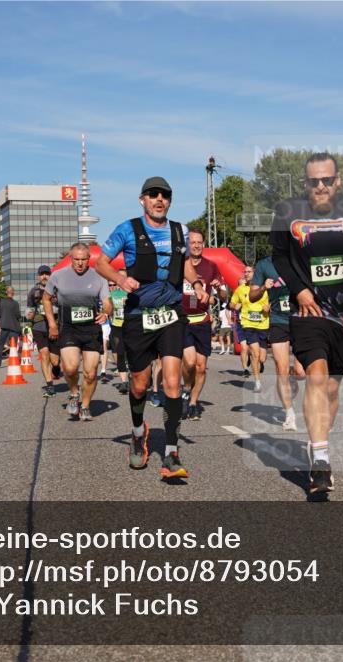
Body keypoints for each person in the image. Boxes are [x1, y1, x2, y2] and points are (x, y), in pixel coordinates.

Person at [271, 152, 343, 494]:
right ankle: (320, 461)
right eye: (313, 181)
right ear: (305, 183)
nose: (320, 187)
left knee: (332, 386)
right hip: (307, 313)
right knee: (316, 377)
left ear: (337, 181)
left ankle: (317, 441)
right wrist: (300, 291)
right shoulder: (287, 213)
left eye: (326, 180)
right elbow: (279, 256)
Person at [95, 176, 208, 480]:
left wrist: (196, 283)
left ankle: (171, 452)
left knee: (172, 383)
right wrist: (120, 280)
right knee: (140, 384)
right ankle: (136, 433)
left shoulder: (179, 231)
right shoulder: (127, 230)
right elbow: (101, 263)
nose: (160, 199)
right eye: (153, 194)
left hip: (170, 312)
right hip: (137, 315)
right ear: (142, 199)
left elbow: (185, 262)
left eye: (165, 195)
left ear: (170, 201)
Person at [43, 244, 111, 421]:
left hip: (91, 327)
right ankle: (74, 393)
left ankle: (86, 405)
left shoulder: (99, 276)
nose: (80, 263)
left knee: (90, 373)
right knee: (71, 367)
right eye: (76, 259)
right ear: (70, 258)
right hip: (68, 327)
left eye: (84, 259)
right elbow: (46, 299)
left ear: (89, 259)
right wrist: (52, 323)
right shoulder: (58, 276)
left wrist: (106, 313)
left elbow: (107, 301)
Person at [251, 254, 305, 431]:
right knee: (280, 369)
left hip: (300, 319)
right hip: (277, 321)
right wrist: (263, 289)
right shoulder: (263, 265)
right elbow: (252, 295)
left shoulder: (299, 257)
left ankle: (292, 374)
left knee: (301, 372)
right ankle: (289, 414)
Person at [181, 230, 228, 421]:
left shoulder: (211, 266)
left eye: (199, 242)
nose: (196, 245)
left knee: (201, 367)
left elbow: (225, 296)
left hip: (202, 320)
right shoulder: (180, 265)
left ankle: (192, 402)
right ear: (187, 244)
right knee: (190, 362)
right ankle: (185, 388)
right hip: (183, 320)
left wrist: (218, 289)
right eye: (192, 242)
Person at [27, 265, 62, 397]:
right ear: (38, 276)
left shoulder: (57, 290)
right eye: (42, 274)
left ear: (50, 275)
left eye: (47, 274)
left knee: (55, 360)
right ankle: (50, 385)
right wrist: (29, 318)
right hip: (39, 326)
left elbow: (63, 306)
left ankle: (57, 368)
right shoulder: (33, 291)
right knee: (44, 354)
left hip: (54, 326)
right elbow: (29, 307)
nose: (44, 276)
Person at [239, 273, 271, 392]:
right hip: (248, 324)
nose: (246, 274)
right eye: (245, 272)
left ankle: (258, 364)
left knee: (262, 358)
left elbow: (275, 301)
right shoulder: (241, 289)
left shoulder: (266, 286)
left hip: (263, 324)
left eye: (249, 272)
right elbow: (231, 303)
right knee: (255, 353)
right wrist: (235, 305)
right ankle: (257, 382)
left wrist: (269, 307)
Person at [108, 271, 130, 394]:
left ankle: (134, 377)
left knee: (133, 353)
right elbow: (109, 309)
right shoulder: (113, 293)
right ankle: (124, 382)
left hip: (131, 327)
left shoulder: (133, 292)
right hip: (117, 326)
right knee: (120, 353)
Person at [230, 266, 254, 376]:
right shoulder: (238, 291)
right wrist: (235, 306)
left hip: (254, 322)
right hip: (241, 323)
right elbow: (230, 305)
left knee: (253, 348)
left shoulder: (255, 288)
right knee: (244, 347)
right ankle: (245, 369)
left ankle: (253, 358)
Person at [0, 286, 22, 368]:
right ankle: (15, 361)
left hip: (4, 327)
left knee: (1, 345)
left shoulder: (2, 302)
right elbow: (18, 316)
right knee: (14, 346)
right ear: (13, 293)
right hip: (14, 327)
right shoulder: (15, 303)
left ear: (6, 292)